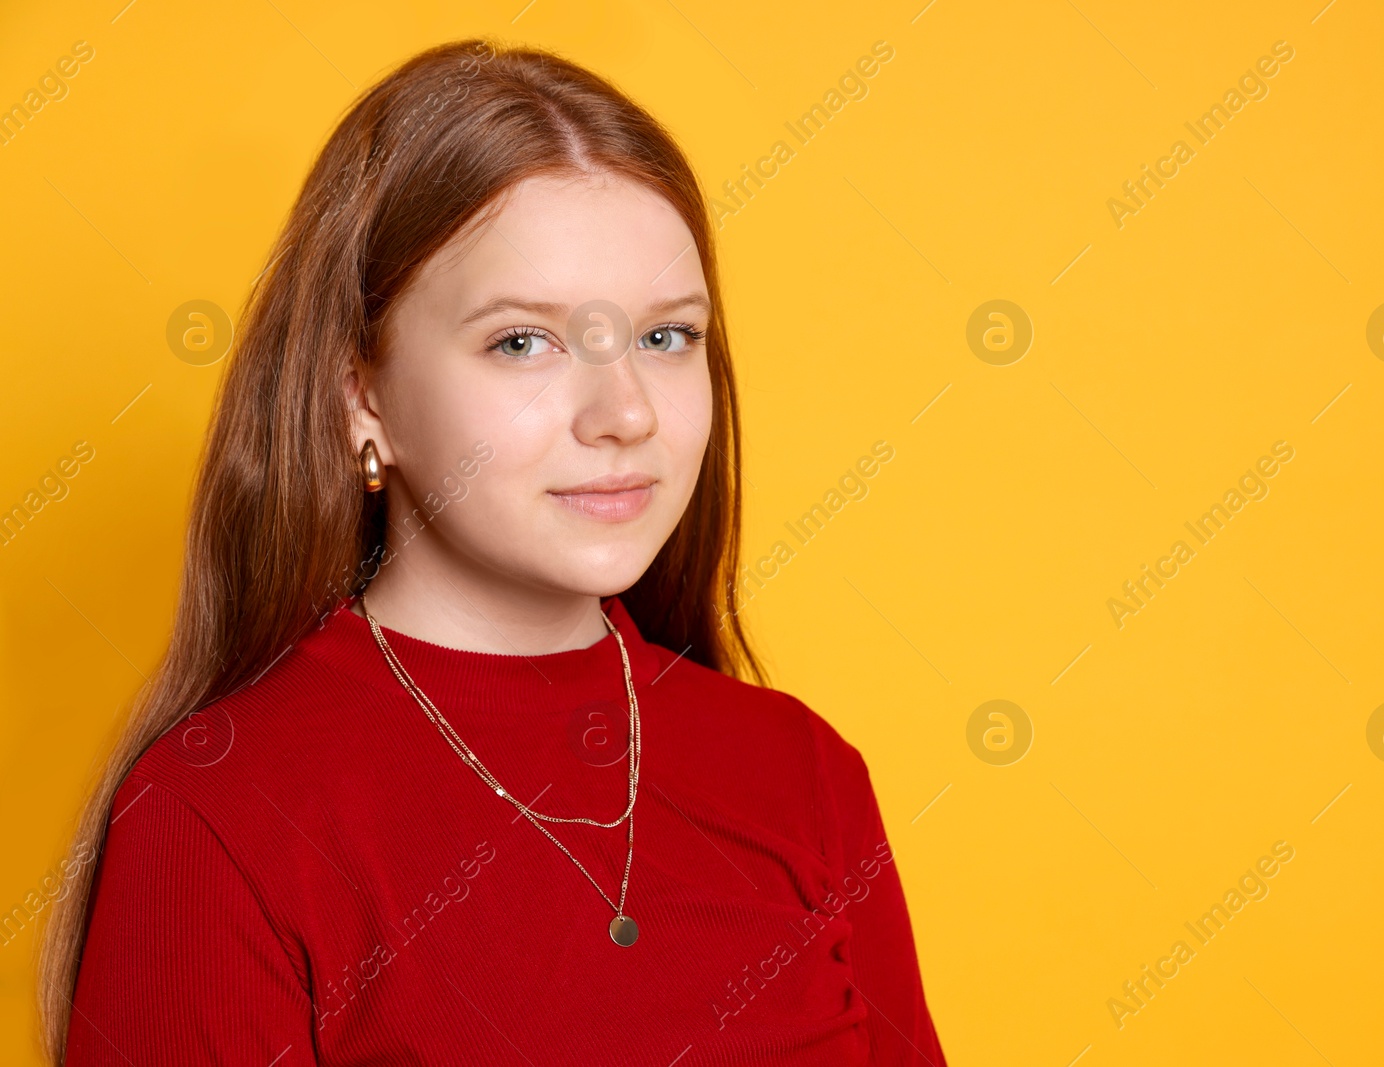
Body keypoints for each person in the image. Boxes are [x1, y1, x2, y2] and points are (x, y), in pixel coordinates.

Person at [40, 38, 944, 1066]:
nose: (624, 412)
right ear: (360, 396)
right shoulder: (218, 814)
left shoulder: (801, 770)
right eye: (523, 341)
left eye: (666, 336)